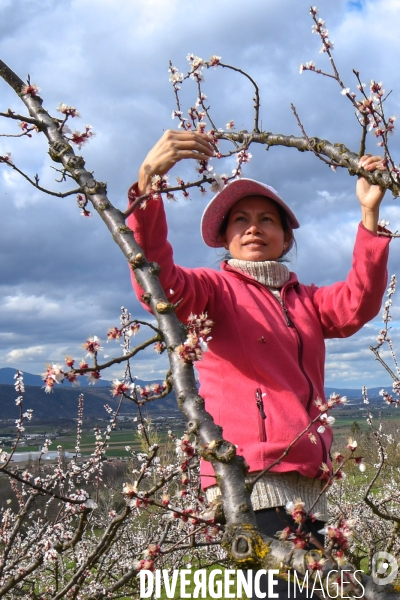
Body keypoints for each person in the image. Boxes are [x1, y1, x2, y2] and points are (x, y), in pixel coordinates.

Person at [127, 130, 389, 598]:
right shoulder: (213, 291)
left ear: (286, 238)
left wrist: (369, 217)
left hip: (307, 491)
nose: (253, 227)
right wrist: (148, 184)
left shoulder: (304, 299)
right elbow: (158, 282)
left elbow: (357, 304)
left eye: (267, 219)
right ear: (224, 238)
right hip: (248, 484)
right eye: (240, 220)